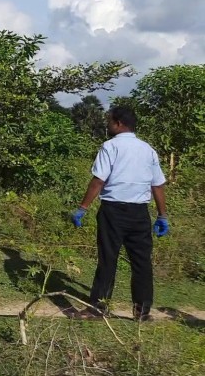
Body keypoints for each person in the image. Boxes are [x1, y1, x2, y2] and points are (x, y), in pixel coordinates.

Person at [69, 106, 169, 321]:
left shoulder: (110, 146)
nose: (108, 124)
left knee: (108, 259)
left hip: (113, 210)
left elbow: (98, 180)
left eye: (109, 121)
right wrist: (162, 215)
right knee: (142, 262)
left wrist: (82, 208)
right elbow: (157, 185)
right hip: (140, 213)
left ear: (119, 123)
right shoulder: (148, 149)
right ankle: (142, 312)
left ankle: (97, 309)